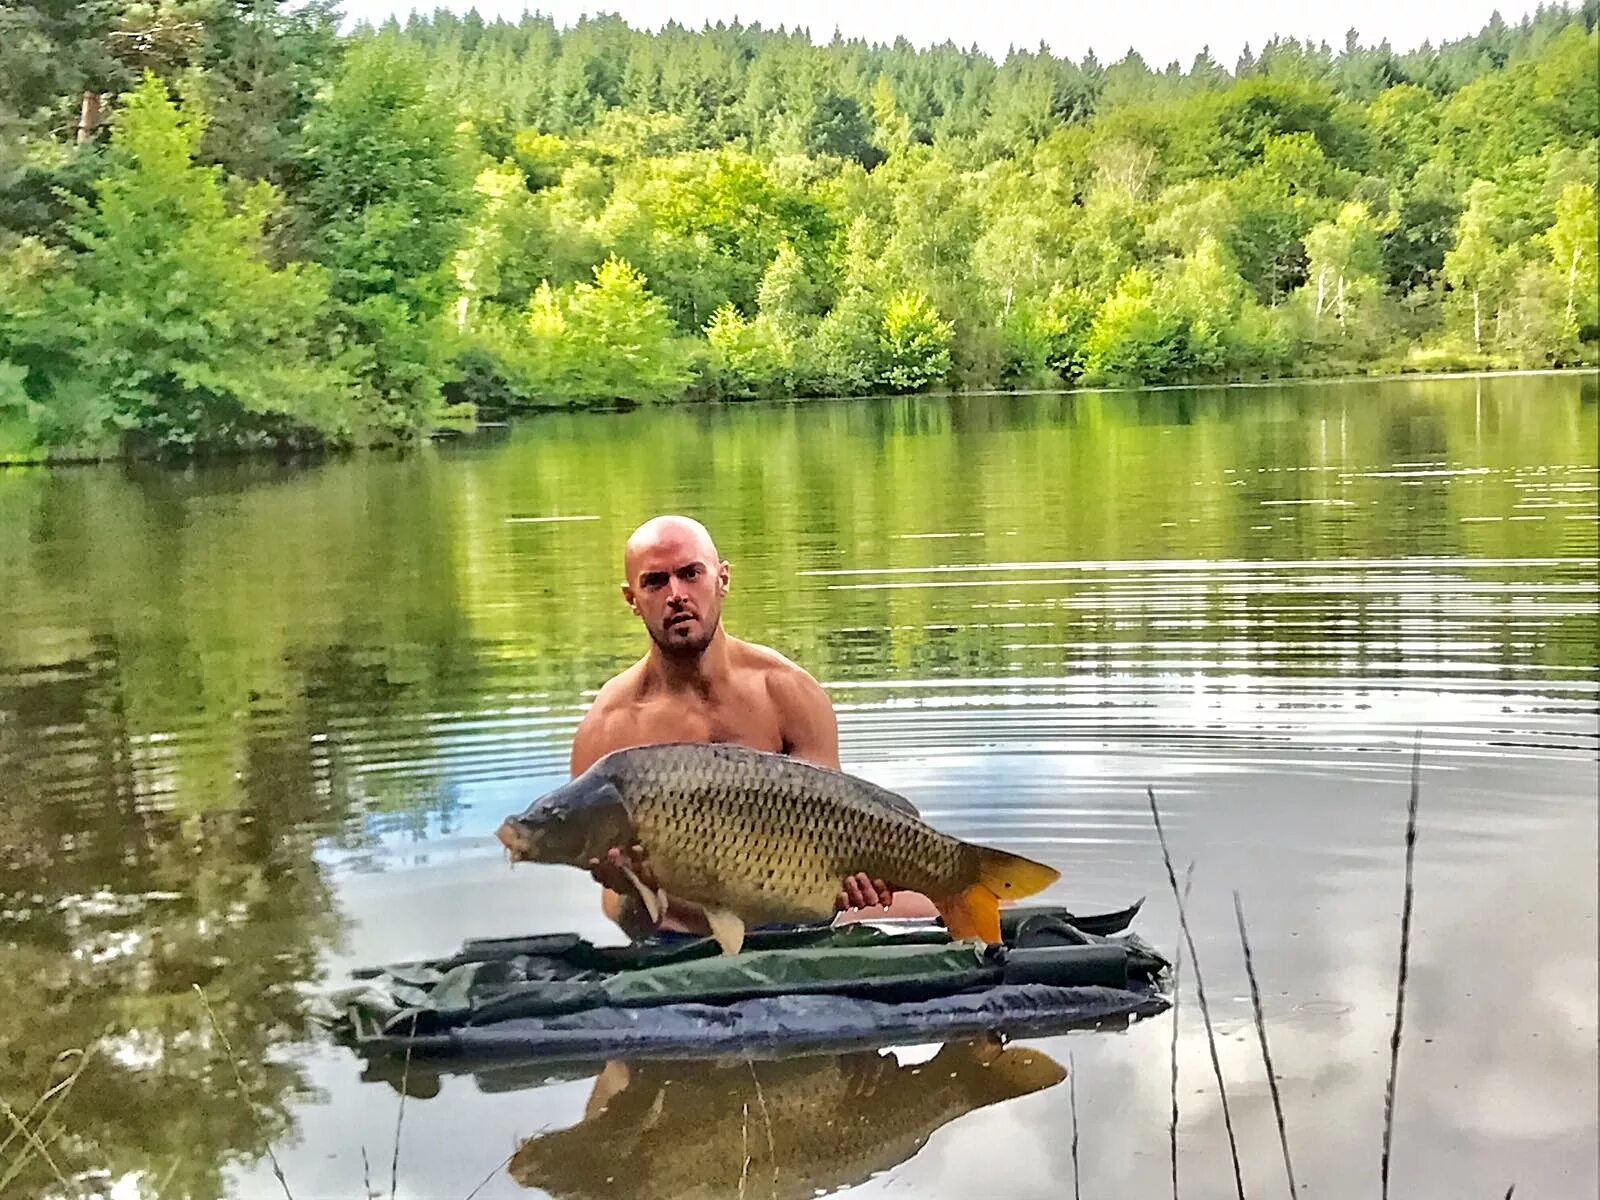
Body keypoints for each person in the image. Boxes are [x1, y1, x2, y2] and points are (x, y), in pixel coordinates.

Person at [570, 513, 938, 940]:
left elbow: (840, 830)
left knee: (965, 905)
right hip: (682, 940)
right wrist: (631, 891)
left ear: (722, 579)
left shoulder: (787, 692)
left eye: (691, 574)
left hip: (798, 919)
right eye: (655, 581)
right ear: (632, 598)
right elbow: (624, 917)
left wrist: (856, 883)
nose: (676, 595)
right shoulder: (607, 731)